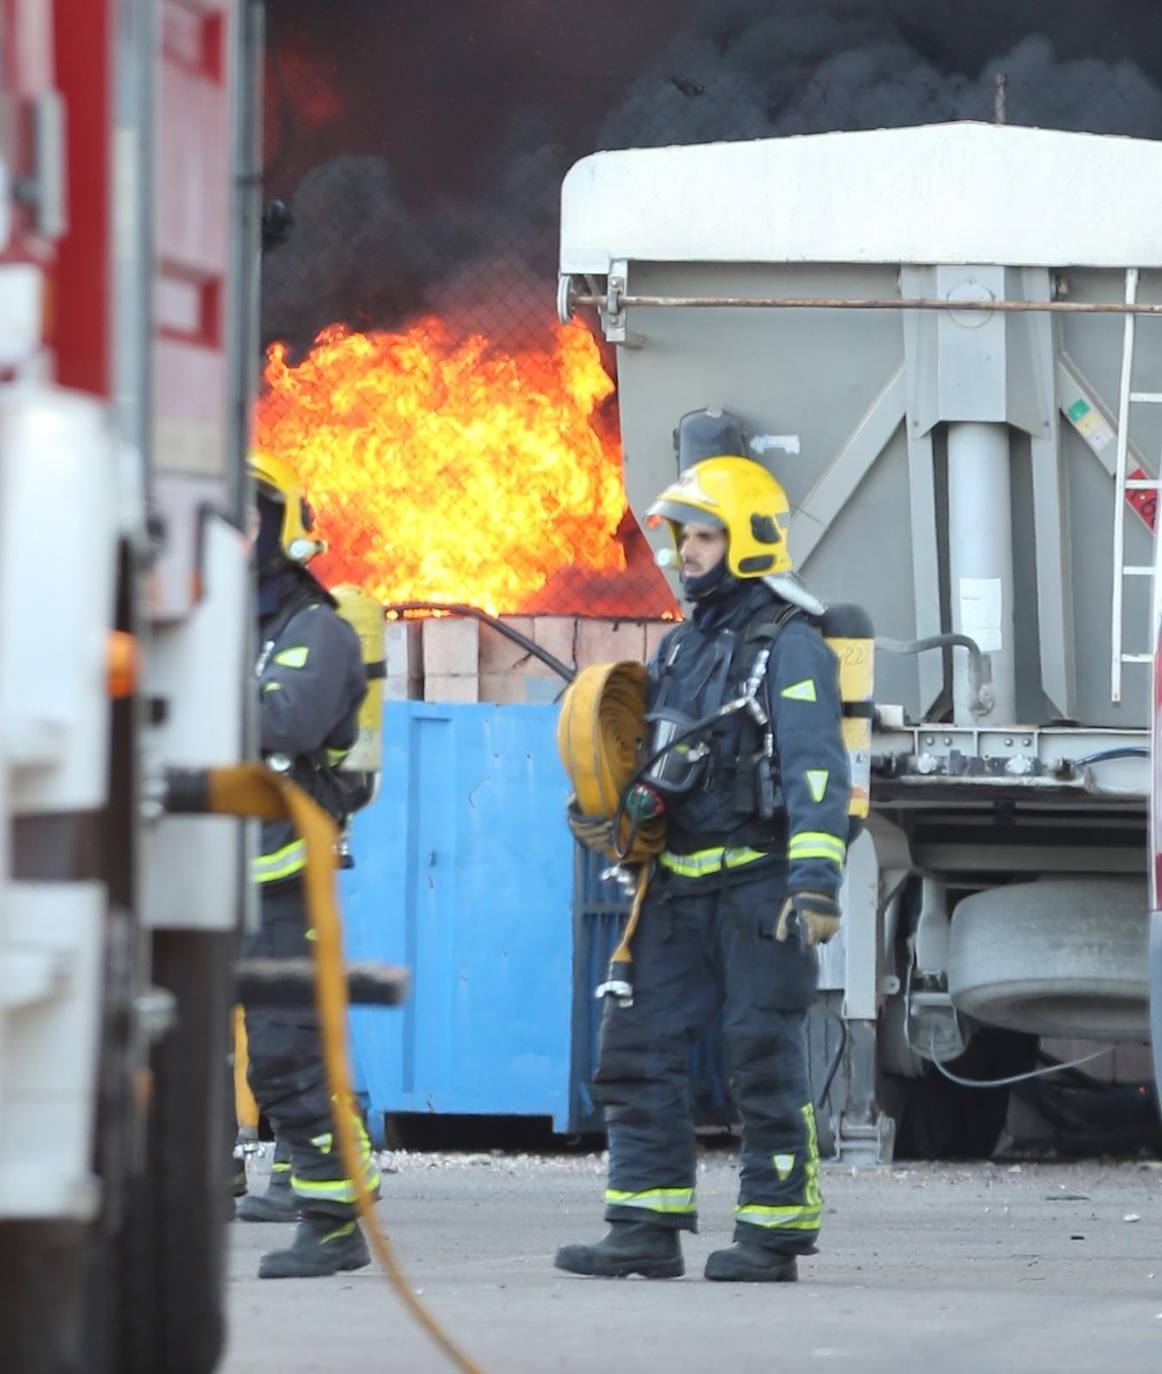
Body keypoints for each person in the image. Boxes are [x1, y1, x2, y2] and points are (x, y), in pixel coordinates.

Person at [556, 442, 850, 1284]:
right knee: (636, 1047)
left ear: (749, 541)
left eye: (702, 538)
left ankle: (773, 1235)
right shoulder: (682, 649)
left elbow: (816, 765)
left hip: (759, 888)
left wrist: (814, 880)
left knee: (760, 1052)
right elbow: (650, 755)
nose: (684, 553)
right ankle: (644, 1227)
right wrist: (617, 808)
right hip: (676, 887)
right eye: (682, 537)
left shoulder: (791, 645)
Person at [240, 452, 380, 1279]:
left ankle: (333, 1223)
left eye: (249, 519)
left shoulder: (317, 631)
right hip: (205, 880)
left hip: (284, 881)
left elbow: (285, 721)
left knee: (287, 1055)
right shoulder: (227, 627)